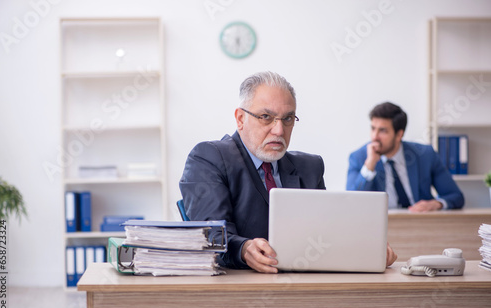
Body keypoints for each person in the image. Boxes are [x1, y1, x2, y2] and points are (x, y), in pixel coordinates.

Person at [180, 71, 397, 273]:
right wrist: (244, 249)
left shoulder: (310, 168)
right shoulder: (208, 157)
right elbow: (211, 234)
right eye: (266, 116)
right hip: (239, 287)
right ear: (240, 119)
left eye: (288, 119)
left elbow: (325, 233)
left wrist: (365, 247)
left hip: (303, 284)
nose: (279, 130)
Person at [346, 101, 464, 212]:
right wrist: (369, 166)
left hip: (419, 224)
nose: (374, 137)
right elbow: (350, 203)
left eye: (382, 131)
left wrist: (437, 204)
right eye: (373, 128)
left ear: (399, 135)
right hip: (378, 227)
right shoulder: (359, 157)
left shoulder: (425, 155)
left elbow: (456, 196)